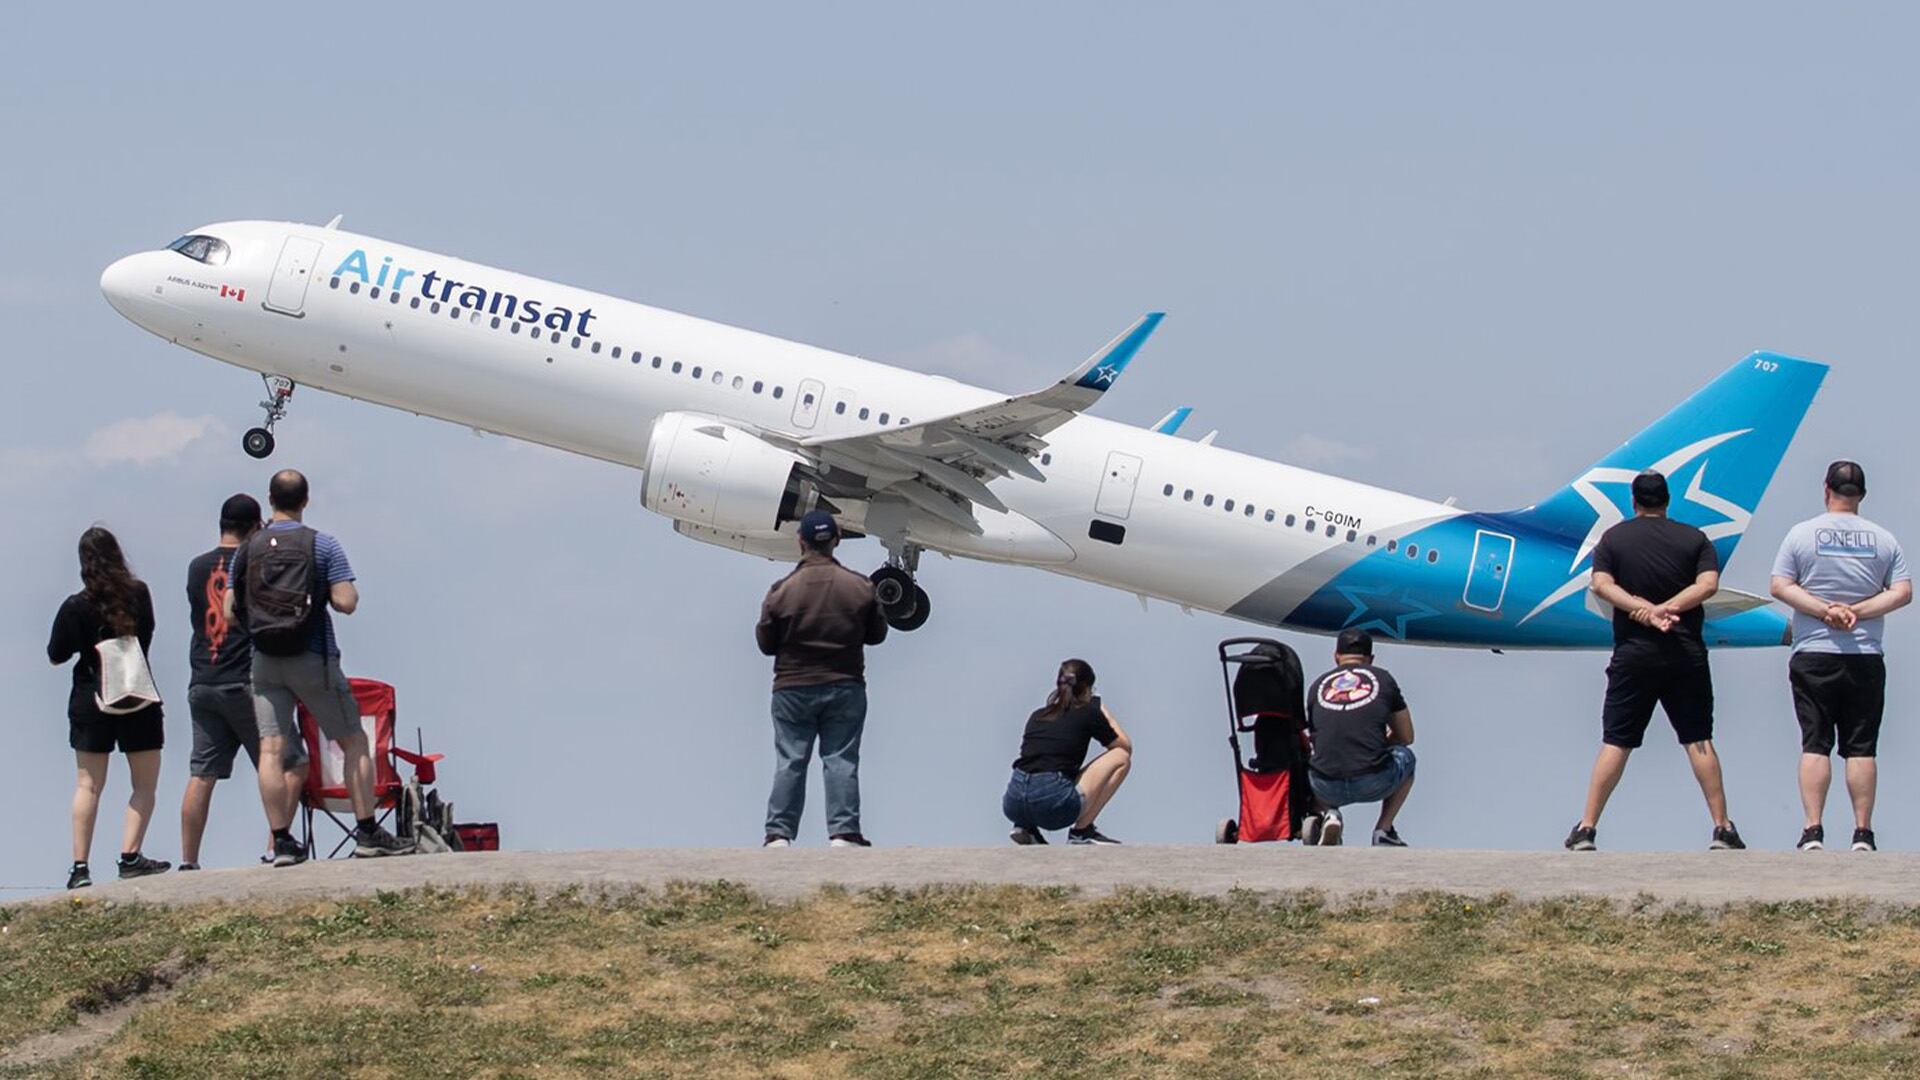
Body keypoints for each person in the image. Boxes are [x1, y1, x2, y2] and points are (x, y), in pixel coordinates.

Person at [231, 469, 411, 862]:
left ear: (270, 499)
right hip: (312, 657)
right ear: (306, 500)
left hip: (264, 661)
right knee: (353, 741)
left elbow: (231, 609)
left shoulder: (248, 549)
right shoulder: (322, 544)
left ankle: (281, 840)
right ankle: (367, 831)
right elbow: (346, 601)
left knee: (271, 749)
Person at [1568, 469, 1744, 851]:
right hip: (1685, 652)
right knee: (1698, 740)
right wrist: (1669, 608)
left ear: (1634, 502)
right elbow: (1708, 584)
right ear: (1667, 501)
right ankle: (1722, 827)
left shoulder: (1614, 539)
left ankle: (1587, 827)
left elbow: (1601, 584)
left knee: (1616, 742)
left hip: (1634, 653)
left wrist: (1645, 611)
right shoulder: (1695, 539)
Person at [1769, 461, 1911, 852]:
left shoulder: (1801, 534)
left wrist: (1824, 610)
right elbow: (1902, 592)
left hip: (1814, 652)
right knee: (1861, 747)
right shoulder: (1884, 539)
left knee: (1815, 743)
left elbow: (1780, 585)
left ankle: (1812, 830)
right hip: (1864, 653)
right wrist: (1857, 612)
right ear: (1861, 494)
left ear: (1826, 489)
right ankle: (1863, 832)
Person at [180, 494, 309, 870]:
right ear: (255, 527)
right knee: (291, 762)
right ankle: (277, 845)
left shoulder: (196, 567)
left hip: (203, 679)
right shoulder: (255, 563)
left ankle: (188, 860)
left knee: (202, 773)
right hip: (246, 681)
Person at [755, 510, 889, 848]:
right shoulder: (860, 587)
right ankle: (843, 833)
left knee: (790, 761)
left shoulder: (781, 591)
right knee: (840, 758)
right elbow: (877, 635)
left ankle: (778, 835)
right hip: (844, 684)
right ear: (836, 540)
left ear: (800, 541)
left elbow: (766, 644)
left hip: (792, 688)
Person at [47, 527, 171, 888]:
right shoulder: (139, 594)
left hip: (91, 699)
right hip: (138, 695)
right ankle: (130, 857)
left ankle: (80, 867)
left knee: (88, 785)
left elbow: (56, 654)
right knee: (144, 784)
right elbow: (145, 637)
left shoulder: (75, 605)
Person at [1303, 629, 1415, 847]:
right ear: (1370, 659)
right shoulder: (1383, 678)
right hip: (1373, 781)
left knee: (1316, 759)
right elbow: (1406, 736)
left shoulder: (1317, 686)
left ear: (1336, 656)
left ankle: (1329, 813)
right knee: (1406, 756)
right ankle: (1383, 830)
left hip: (1325, 786)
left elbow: (1320, 738)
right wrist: (1374, 746)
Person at [1004, 659, 1134, 845]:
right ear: (1086, 689)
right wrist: (1100, 709)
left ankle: (1025, 826)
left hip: (1014, 802)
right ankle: (1081, 831)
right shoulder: (1089, 713)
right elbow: (1124, 746)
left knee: (1040, 767)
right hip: (1052, 803)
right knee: (1121, 757)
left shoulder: (1038, 715)